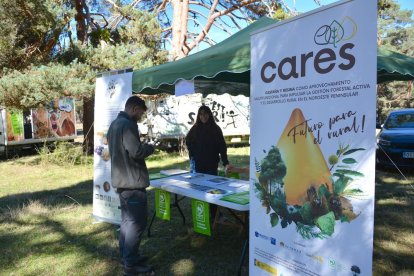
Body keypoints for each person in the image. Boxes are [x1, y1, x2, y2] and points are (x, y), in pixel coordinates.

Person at [107, 96, 155, 276]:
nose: (141, 116)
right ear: (134, 108)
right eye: (141, 113)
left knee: (127, 223)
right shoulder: (127, 125)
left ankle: (128, 256)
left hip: (123, 182)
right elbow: (137, 151)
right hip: (132, 183)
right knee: (136, 223)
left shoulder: (115, 124)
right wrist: (150, 147)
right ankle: (131, 265)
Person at [185, 105, 230, 175]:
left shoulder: (215, 129)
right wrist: (192, 155)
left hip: (211, 166)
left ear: (209, 114)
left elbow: (222, 147)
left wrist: (226, 163)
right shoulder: (195, 128)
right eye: (201, 114)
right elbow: (188, 140)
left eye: (205, 114)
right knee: (197, 185)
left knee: (210, 185)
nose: (203, 116)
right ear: (198, 116)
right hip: (197, 166)